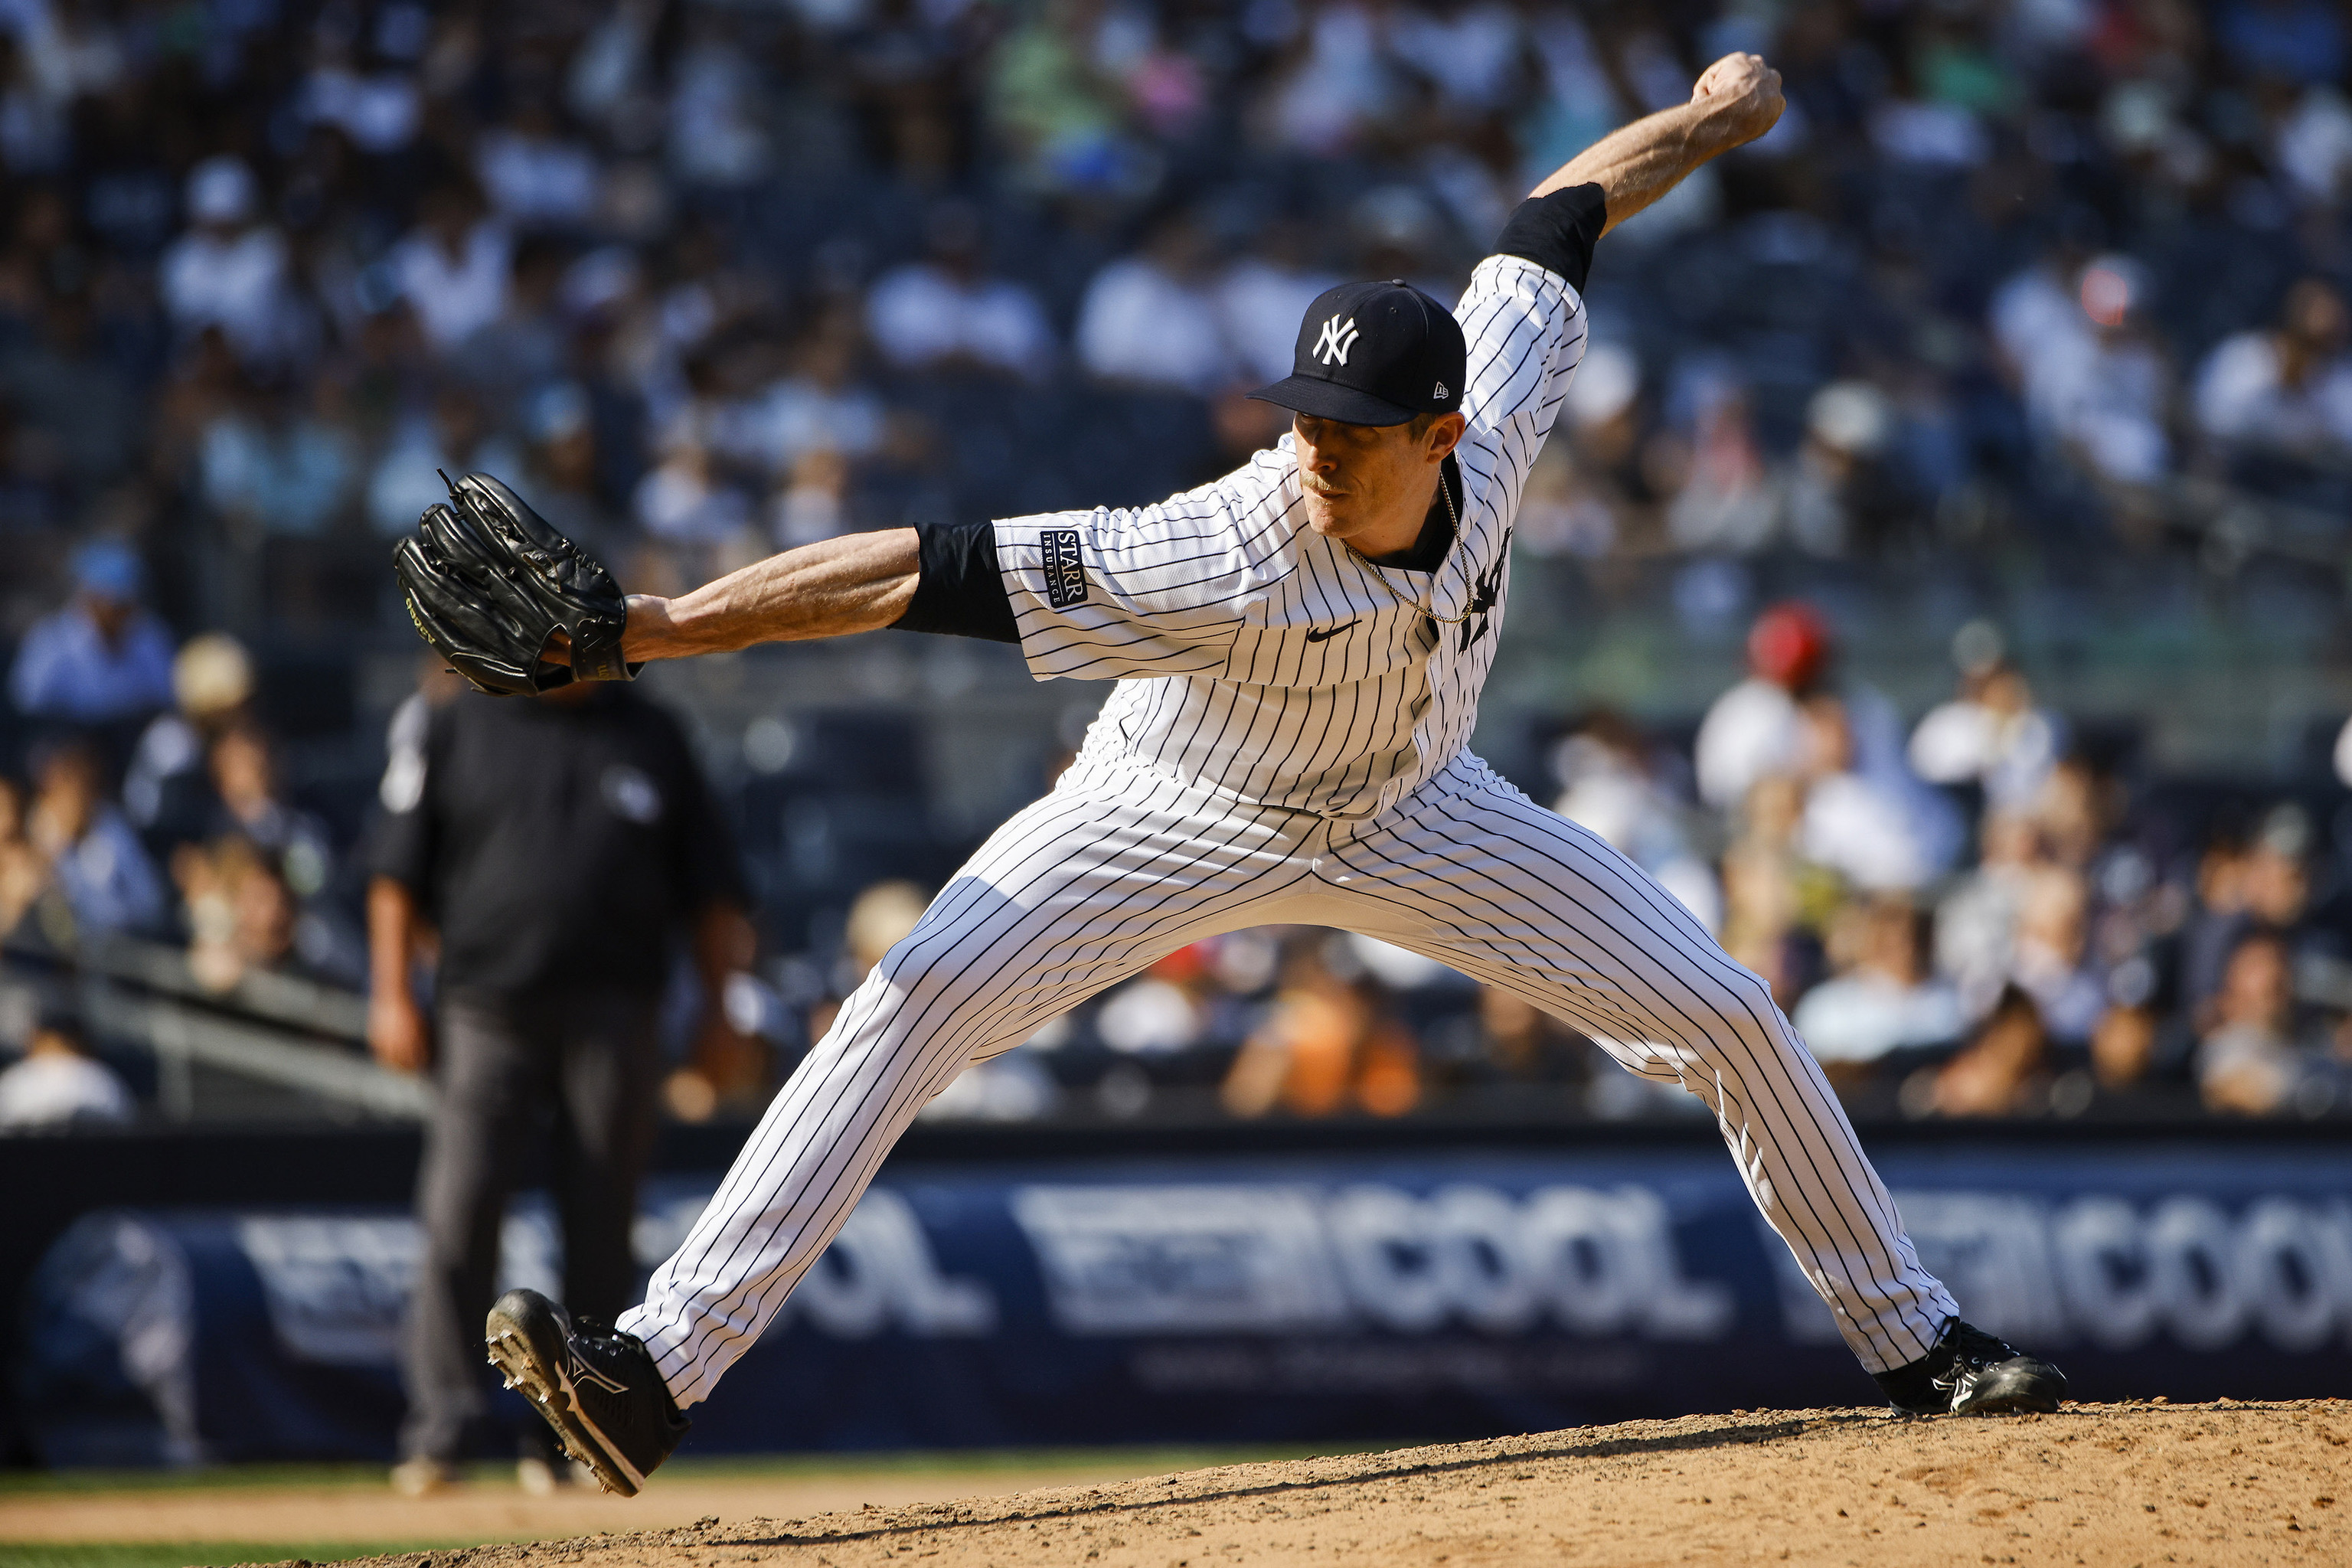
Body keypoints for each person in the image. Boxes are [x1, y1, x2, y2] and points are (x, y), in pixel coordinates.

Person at [462, 54, 2065, 1498]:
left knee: (1723, 1011)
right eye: (1305, 415)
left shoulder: (1495, 405)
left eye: (1353, 430)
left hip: (1420, 808)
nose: (1315, 447)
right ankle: (655, 1371)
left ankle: (1917, 1346)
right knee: (909, 998)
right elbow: (912, 570)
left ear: (1444, 433)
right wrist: (661, 626)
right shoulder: (1223, 544)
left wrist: (1713, 121)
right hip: (1172, 805)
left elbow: (1565, 204)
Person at [368, 677, 755, 1495]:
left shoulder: (651, 730)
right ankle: (443, 1428)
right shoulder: (455, 721)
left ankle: (580, 1431)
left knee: (602, 1216)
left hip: (618, 1011)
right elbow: (396, 870)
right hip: (485, 1006)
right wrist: (391, 990)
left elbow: (714, 887)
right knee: (460, 1211)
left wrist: (720, 1010)